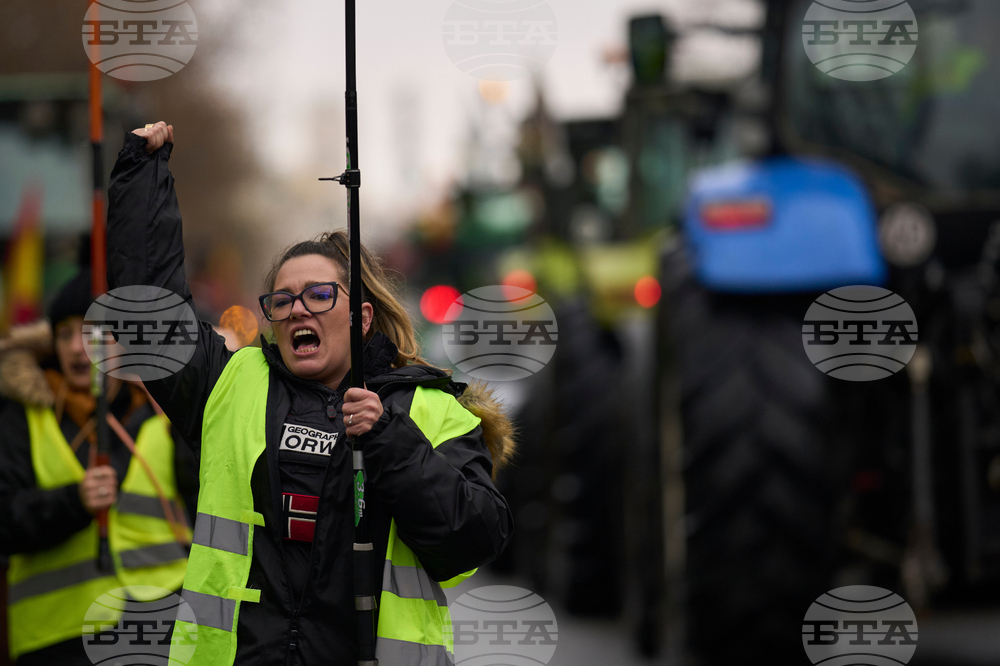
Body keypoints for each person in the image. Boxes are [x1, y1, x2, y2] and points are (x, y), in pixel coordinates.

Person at [107, 122, 515, 666]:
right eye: (282, 300)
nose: (298, 309)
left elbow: (475, 538)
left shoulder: (430, 409)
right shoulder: (231, 384)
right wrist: (143, 174)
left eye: (319, 295)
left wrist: (390, 440)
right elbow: (152, 319)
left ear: (361, 317)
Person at [0, 269, 194, 666]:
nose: (77, 348)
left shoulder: (163, 415)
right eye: (65, 334)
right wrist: (74, 502)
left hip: (161, 629)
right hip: (57, 639)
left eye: (93, 332)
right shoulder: (21, 419)